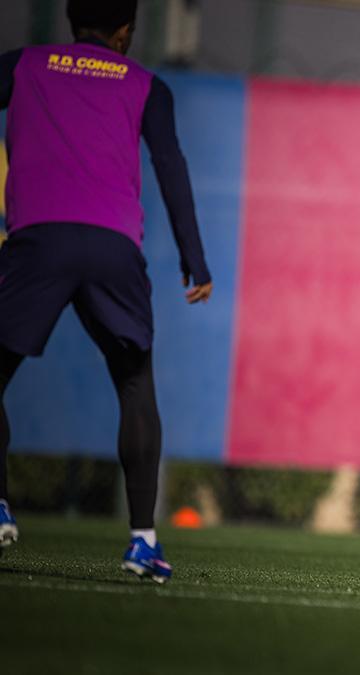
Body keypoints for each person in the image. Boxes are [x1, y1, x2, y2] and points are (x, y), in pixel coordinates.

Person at [0, 0, 212, 583]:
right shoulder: (146, 84)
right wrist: (195, 260)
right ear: (126, 32)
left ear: (70, 21)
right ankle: (143, 542)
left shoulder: (23, 64)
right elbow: (170, 165)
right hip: (114, 249)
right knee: (135, 384)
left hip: (38, 238)